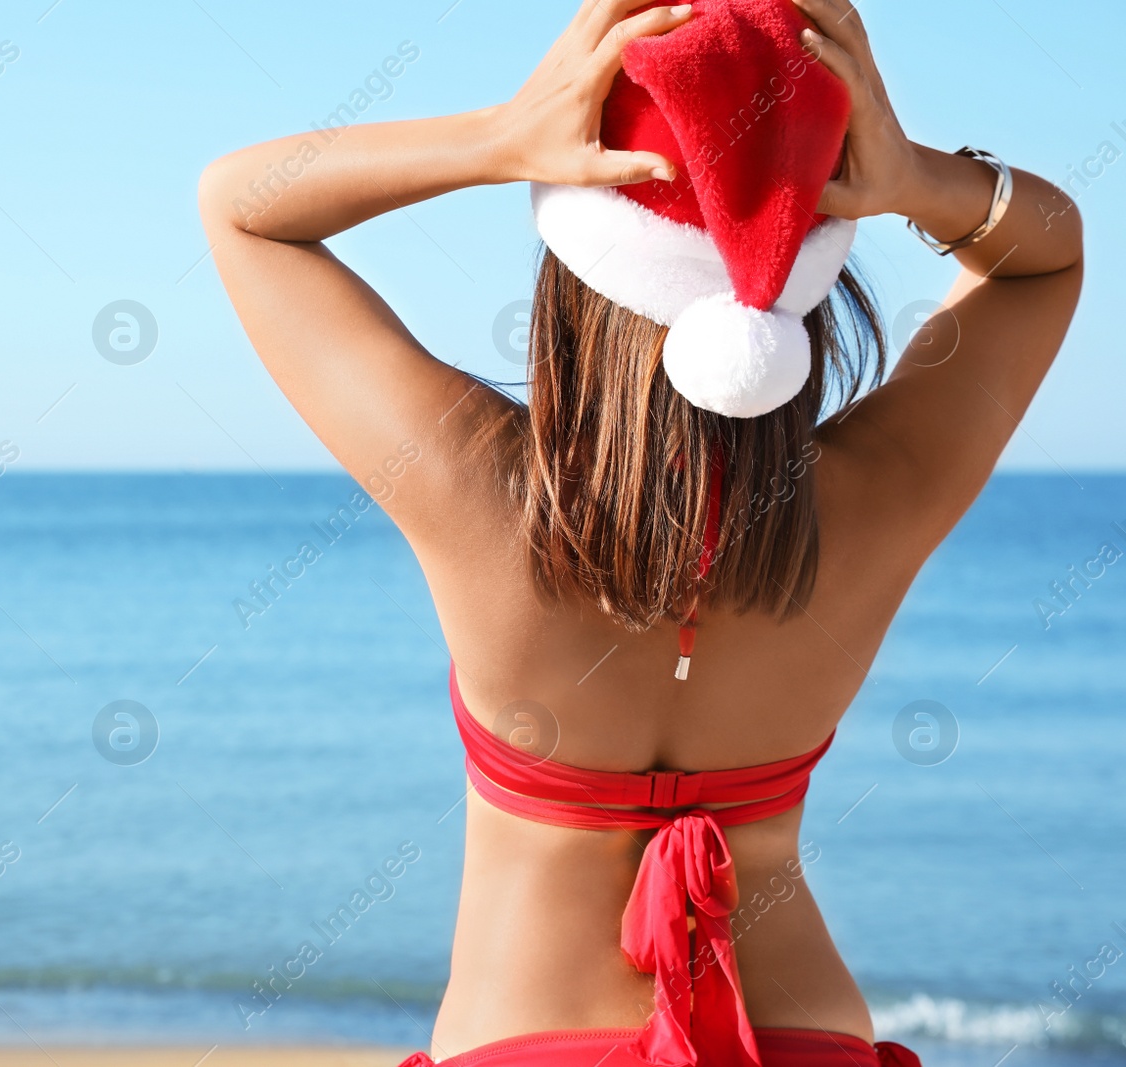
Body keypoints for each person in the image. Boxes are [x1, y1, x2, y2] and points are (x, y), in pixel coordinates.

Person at [197, 0, 1084, 1063]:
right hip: (801, 1038)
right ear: (811, 273)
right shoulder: (874, 496)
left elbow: (241, 206)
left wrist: (502, 134)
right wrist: (909, 179)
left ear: (577, 268)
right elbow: (1044, 258)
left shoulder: (478, 488)